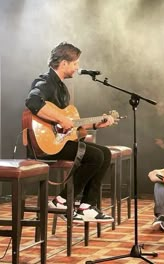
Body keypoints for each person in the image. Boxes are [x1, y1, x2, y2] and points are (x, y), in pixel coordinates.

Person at [25, 41, 115, 223]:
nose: (77, 68)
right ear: (64, 63)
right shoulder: (46, 81)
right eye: (75, 63)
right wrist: (60, 119)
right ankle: (63, 200)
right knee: (95, 156)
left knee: (104, 153)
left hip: (59, 141)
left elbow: (70, 127)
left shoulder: (62, 88)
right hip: (43, 146)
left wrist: (96, 125)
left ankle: (86, 206)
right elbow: (33, 102)